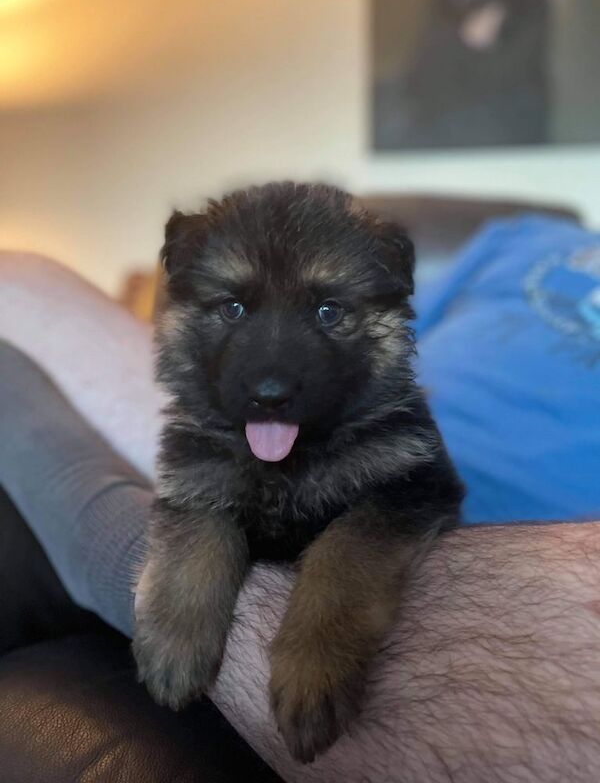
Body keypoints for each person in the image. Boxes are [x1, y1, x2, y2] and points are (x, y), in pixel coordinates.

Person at [1, 250, 600, 782]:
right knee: (17, 274)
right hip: (326, 426)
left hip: (497, 538)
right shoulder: (520, 239)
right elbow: (393, 332)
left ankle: (109, 536)